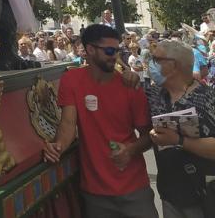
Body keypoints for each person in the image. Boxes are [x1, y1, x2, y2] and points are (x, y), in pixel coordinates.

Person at [43, 24, 158, 218]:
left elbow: (149, 135)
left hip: (134, 189)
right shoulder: (72, 80)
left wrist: (130, 150)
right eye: (109, 50)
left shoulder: (130, 86)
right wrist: (57, 147)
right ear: (89, 50)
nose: (114, 55)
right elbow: (68, 125)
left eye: (117, 50)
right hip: (95, 193)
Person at [146, 40, 215, 217]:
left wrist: (178, 140)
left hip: (206, 196)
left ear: (173, 65)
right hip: (171, 194)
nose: (150, 64)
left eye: (156, 59)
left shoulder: (206, 97)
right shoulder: (155, 94)